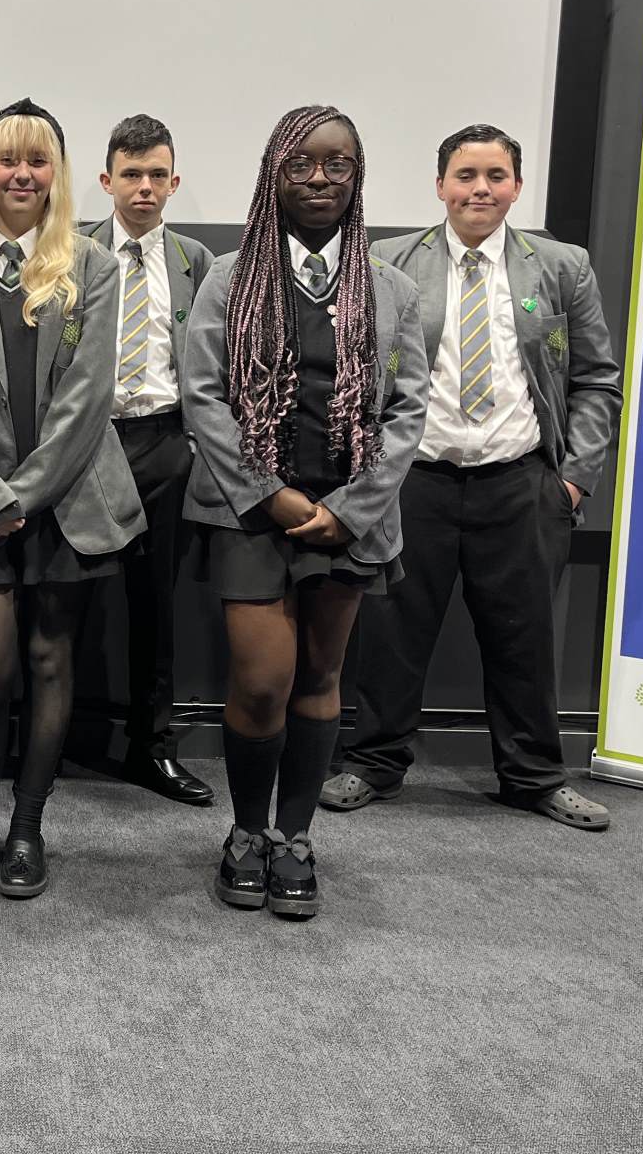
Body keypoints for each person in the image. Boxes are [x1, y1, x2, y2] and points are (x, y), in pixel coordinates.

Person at [322, 124, 621, 829]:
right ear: (440, 186)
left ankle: (533, 777)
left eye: (495, 176)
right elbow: (350, 373)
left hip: (521, 485)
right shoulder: (388, 262)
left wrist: (572, 481)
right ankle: (374, 763)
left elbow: (596, 381)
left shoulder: (562, 267)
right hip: (413, 482)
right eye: (465, 176)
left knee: (524, 641)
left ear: (516, 187)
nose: (479, 189)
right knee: (391, 634)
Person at [182, 104, 426, 918]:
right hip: (251, 512)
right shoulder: (230, 278)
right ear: (273, 175)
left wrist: (351, 508)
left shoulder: (392, 289)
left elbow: (408, 411)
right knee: (261, 682)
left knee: (321, 679)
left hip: (349, 518)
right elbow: (204, 397)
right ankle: (246, 830)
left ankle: (293, 838)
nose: (320, 178)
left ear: (357, 177)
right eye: (301, 164)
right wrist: (271, 494)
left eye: (337, 164)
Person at [0, 99, 145, 901]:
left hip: (66, 503)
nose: (22, 174)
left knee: (51, 664)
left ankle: (26, 827)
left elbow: (88, 399)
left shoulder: (94, 266)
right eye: (7, 159)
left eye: (37, 160)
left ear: (57, 173)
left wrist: (28, 493)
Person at [80, 114, 215, 805]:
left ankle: (151, 746)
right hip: (86, 443)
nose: (144, 187)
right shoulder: (74, 251)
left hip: (163, 442)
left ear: (174, 182)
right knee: (66, 599)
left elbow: (214, 362)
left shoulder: (196, 261)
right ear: (107, 181)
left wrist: (191, 441)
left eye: (157, 175)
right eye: (131, 174)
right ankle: (53, 736)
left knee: (155, 603)